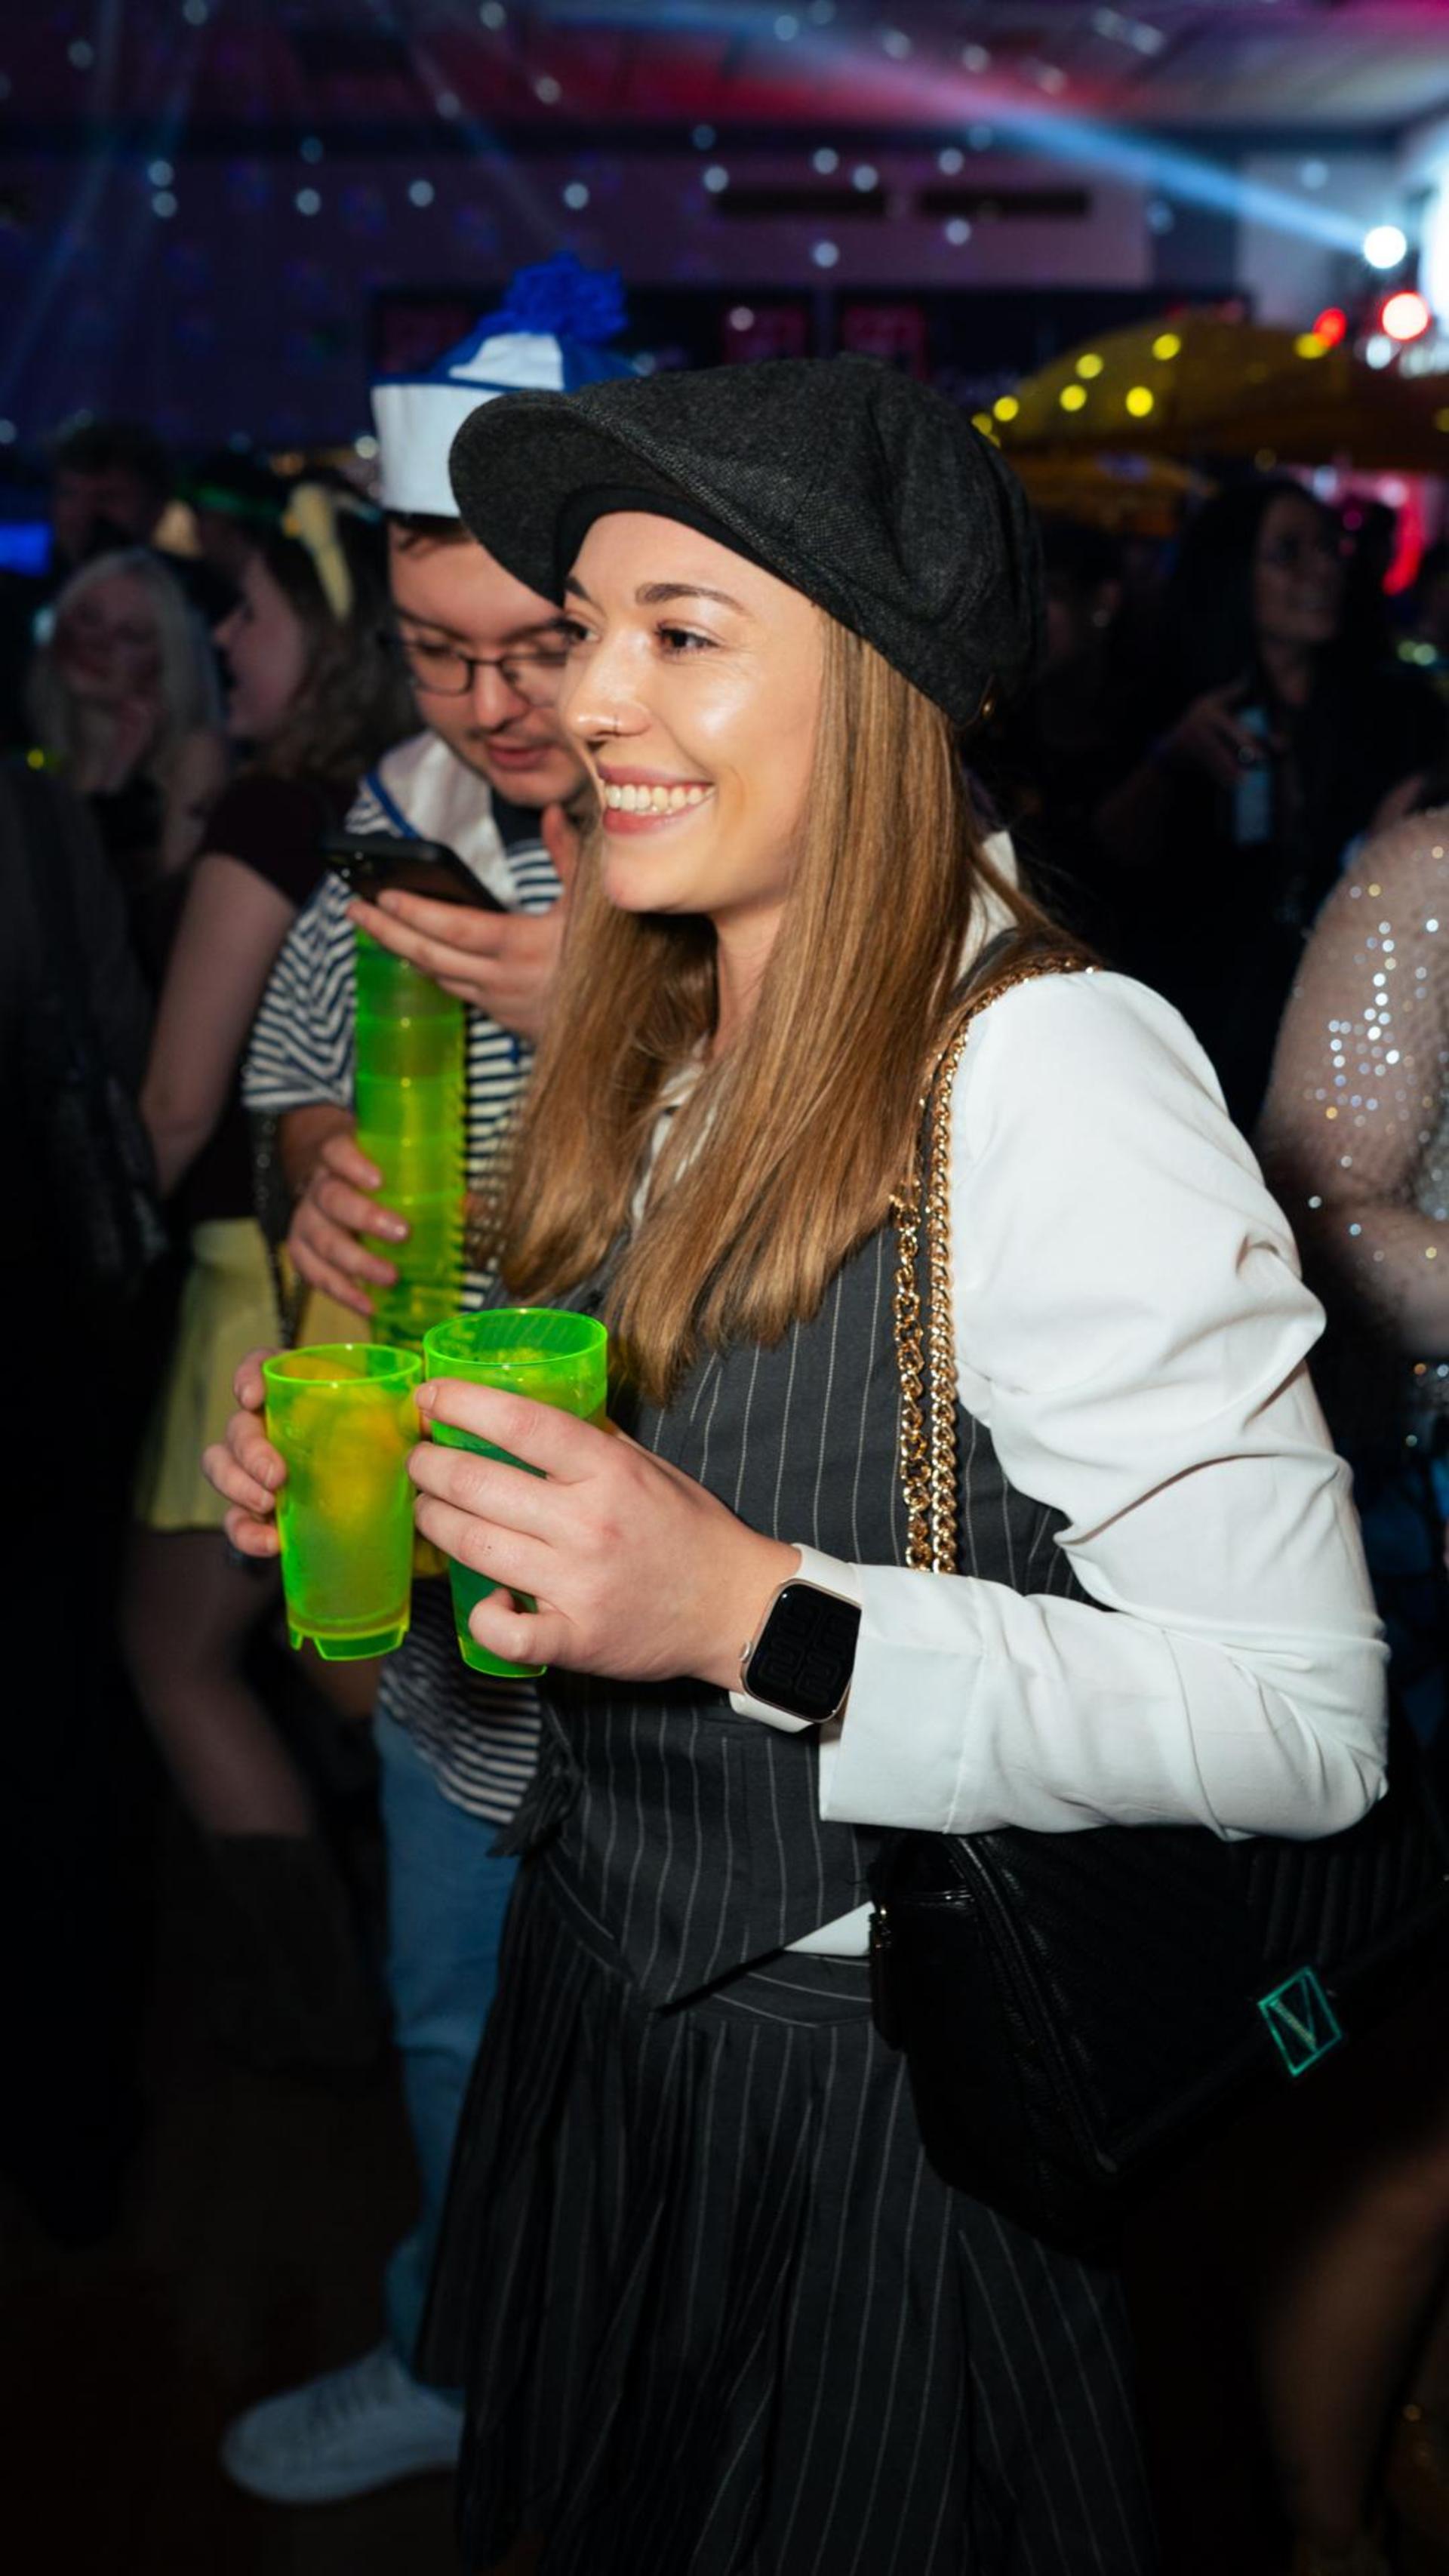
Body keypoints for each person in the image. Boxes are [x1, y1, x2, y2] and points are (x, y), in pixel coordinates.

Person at [211, 355, 1387, 2574]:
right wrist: (415, 1494)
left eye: (678, 633)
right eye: (583, 633)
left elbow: (1304, 1724)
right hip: (606, 2056)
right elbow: (523, 1697)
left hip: (870, 2108)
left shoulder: (1047, 1068)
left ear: (880, 682)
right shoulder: (660, 1037)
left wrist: (755, 1612)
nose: (581, 701)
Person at [203, 255, 633, 2504]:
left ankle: (694, 2385)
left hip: (700, 1550)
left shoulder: (748, 831)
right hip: (460, 1547)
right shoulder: (378, 825)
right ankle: (457, 2353)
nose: (487, 702)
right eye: (443, 649)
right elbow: (292, 1100)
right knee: (456, 2006)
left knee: (703, 2035)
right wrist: (306, 1182)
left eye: (531, 649)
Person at [122, 485, 413, 2072]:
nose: (219, 637)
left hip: (264, 1301)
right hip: (324, 1286)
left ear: (333, 621)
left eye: (248, 604)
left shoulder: (286, 817)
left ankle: (331, 2022)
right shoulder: (377, 810)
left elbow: (175, 1111)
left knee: (187, 1657)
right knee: (353, 1664)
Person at [1257, 799, 1449, 2571]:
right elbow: (1312, 1213)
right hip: (1435, 1569)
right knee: (1414, 2133)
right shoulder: (1429, 876)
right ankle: (1327, 2528)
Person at [1094, 477, 1444, 1129]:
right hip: (1200, 1030)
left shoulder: (1397, 714)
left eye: (1327, 547)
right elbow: (1101, 862)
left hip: (1351, 1016)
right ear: (1233, 575)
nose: (1320, 569)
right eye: (1288, 552)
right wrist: (1171, 759)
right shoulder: (1164, 699)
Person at [26, 544, 226, 981]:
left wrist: (118, 785)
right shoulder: (31, 748)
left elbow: (164, 929)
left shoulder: (194, 756)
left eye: (130, 634)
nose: (97, 643)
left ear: (166, 658)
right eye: (88, 617)